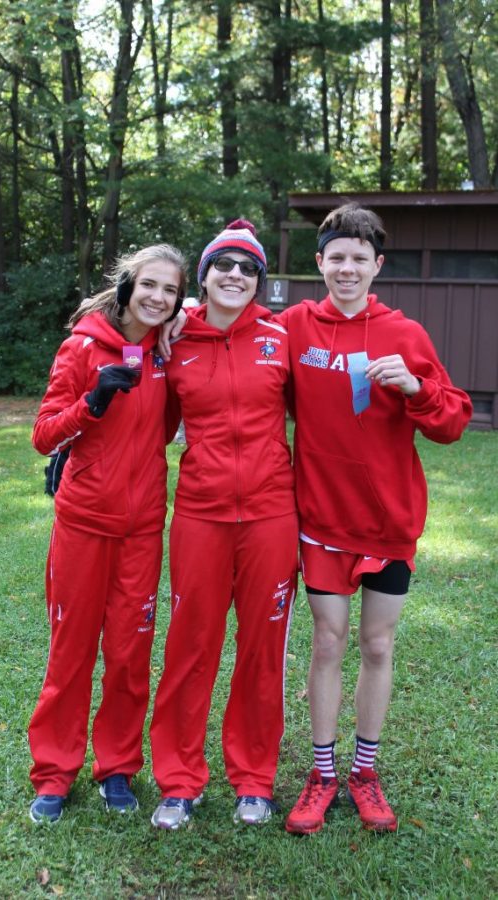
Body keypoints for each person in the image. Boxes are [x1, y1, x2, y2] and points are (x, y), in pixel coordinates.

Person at [276, 202, 472, 834]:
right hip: (322, 519)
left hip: (388, 521)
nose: (348, 268)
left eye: (360, 259)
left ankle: (365, 771)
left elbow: (452, 421)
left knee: (377, 643)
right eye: (337, 258)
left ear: (377, 265)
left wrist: (416, 390)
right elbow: (245, 363)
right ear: (320, 264)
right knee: (328, 641)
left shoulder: (404, 335)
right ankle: (323, 772)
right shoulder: (296, 327)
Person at [28, 244, 187, 823]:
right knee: (70, 654)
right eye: (150, 285)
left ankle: (117, 767)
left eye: (170, 291)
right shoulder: (81, 346)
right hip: (83, 525)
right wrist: (92, 402)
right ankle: (53, 773)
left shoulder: (170, 353)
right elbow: (44, 435)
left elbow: (169, 425)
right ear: (127, 285)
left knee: (128, 654)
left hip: (142, 528)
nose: (158, 298)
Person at [150, 220, 299, 829]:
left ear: (259, 282)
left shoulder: (280, 334)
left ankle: (255, 779)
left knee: (262, 649)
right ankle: (180, 782)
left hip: (270, 512)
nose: (235, 274)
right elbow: (146, 423)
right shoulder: (172, 336)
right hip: (200, 513)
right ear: (204, 276)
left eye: (247, 268)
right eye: (223, 265)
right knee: (190, 646)